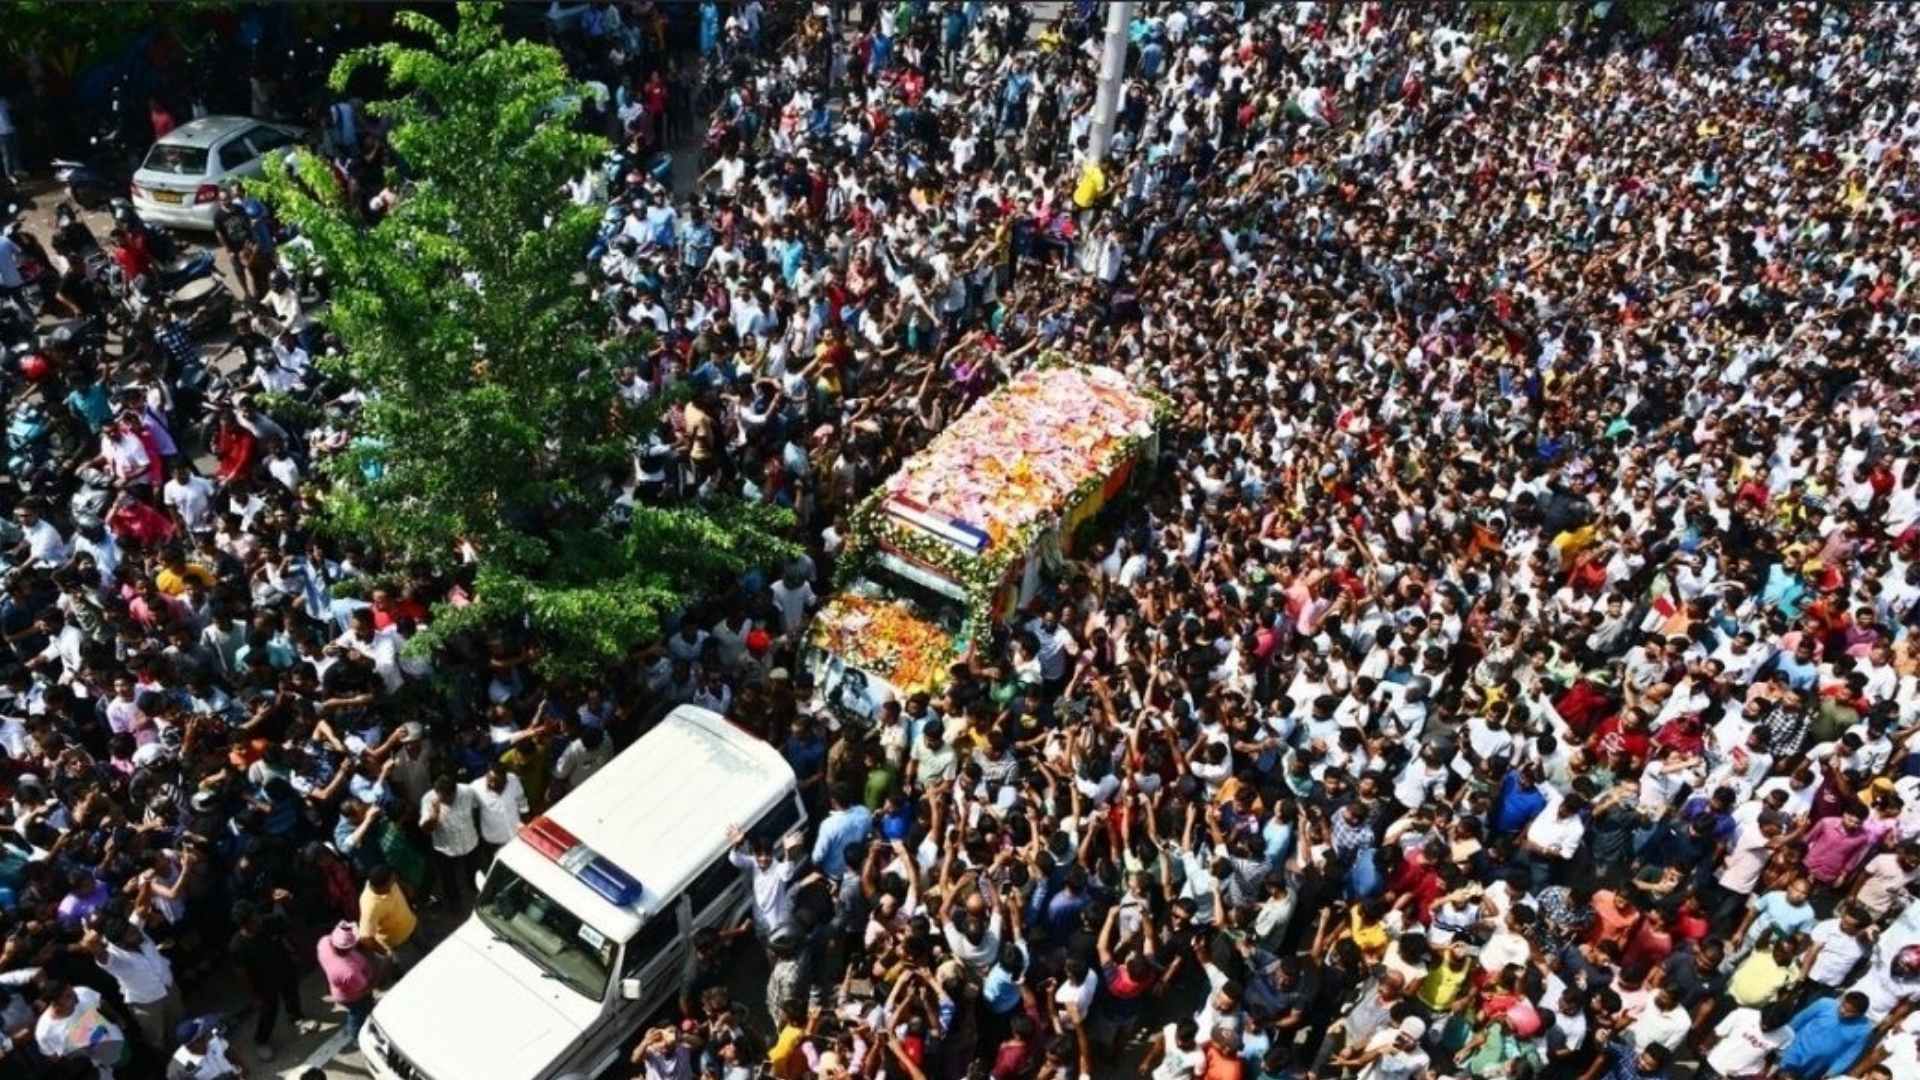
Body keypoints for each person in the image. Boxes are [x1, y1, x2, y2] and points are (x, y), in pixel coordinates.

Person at [315, 922, 375, 1043]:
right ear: (350, 947)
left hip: (340, 991)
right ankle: (356, 1037)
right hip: (353, 997)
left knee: (359, 1011)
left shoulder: (324, 942)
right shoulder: (348, 971)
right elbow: (363, 988)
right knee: (357, 1015)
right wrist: (381, 975)